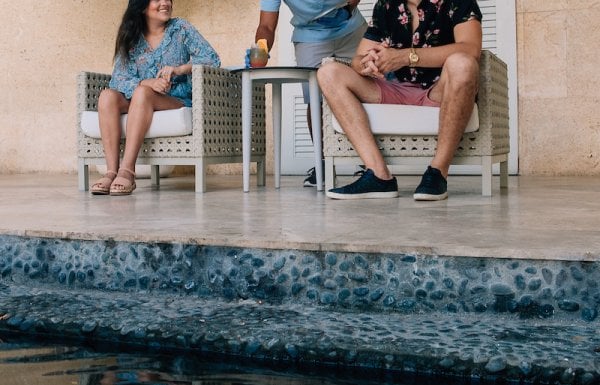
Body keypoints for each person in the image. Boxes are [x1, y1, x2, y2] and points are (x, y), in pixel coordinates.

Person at [317, 0, 482, 200]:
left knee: (463, 63)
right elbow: (357, 59)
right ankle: (379, 175)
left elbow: (471, 49)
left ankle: (438, 172)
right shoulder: (386, 5)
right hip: (392, 90)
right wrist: (367, 64)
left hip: (438, 90)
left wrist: (405, 57)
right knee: (329, 73)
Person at [91, 0, 220, 196]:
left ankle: (127, 171)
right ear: (142, 5)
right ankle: (111, 172)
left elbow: (212, 59)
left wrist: (179, 70)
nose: (165, 3)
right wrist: (147, 83)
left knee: (142, 94)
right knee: (107, 96)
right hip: (143, 97)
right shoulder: (132, 38)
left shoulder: (181, 28)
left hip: (175, 99)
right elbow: (119, 78)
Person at [252, 0, 367, 187]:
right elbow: (266, 25)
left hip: (351, 31)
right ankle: (322, 164)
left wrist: (349, 7)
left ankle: (368, 162)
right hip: (310, 37)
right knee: (316, 99)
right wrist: (261, 50)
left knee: (364, 92)